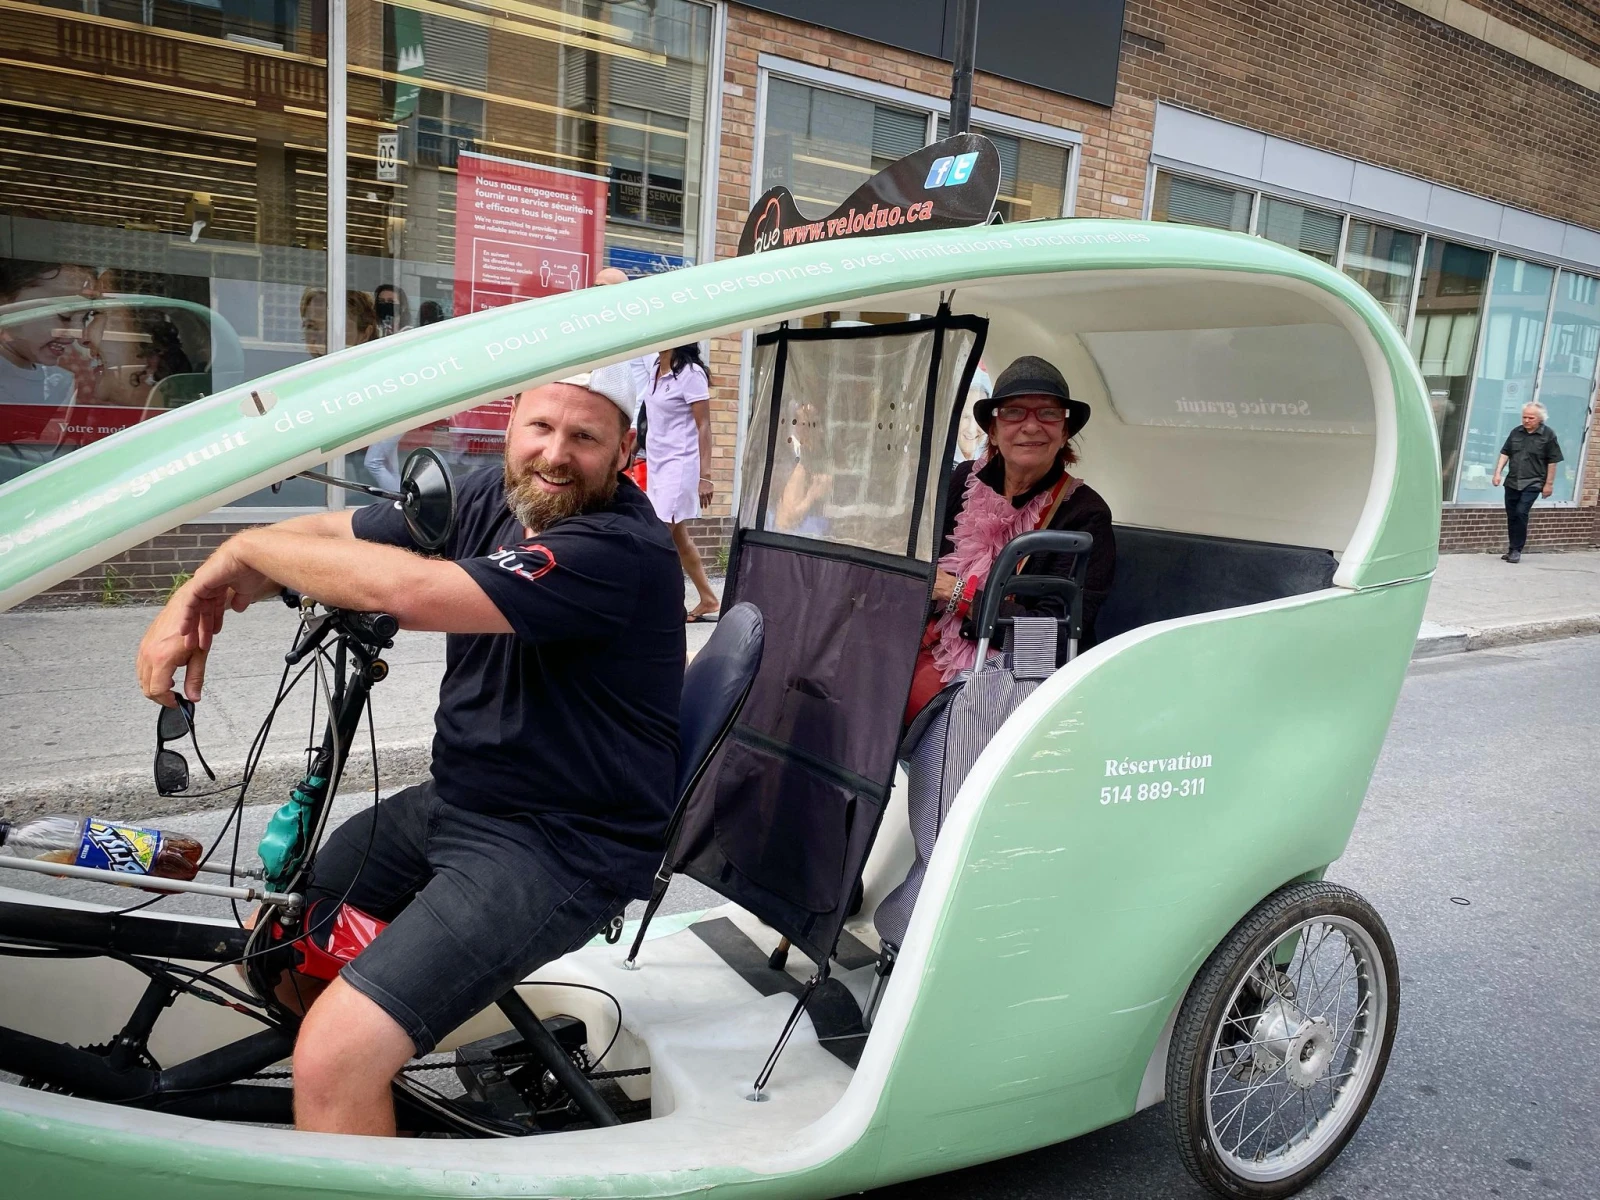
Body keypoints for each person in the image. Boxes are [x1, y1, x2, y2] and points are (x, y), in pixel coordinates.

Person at [133, 363, 684, 1136]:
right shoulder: (496, 496)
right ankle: (369, 1110)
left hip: (564, 844)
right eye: (540, 428)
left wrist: (244, 547)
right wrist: (213, 581)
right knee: (279, 948)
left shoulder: (620, 547)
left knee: (333, 1057)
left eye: (585, 438)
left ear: (626, 447)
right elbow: (340, 535)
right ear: (510, 427)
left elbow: (408, 592)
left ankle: (348, 1078)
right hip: (458, 802)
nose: (556, 454)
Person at [905, 355, 1116, 724]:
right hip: (928, 652)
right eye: (1015, 412)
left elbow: (1052, 640)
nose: (1031, 426)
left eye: (1049, 414)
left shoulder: (1085, 515)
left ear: (1064, 432)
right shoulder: (962, 482)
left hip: (1016, 680)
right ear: (993, 428)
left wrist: (961, 596)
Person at [638, 342, 720, 622]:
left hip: (680, 465)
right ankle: (708, 598)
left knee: (657, 536)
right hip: (657, 465)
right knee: (679, 539)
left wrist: (705, 476)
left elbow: (704, 426)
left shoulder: (691, 373)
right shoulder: (654, 370)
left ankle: (663, 603)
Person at [1492, 401, 1562, 563]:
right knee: (1512, 515)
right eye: (1524, 417)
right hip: (1512, 481)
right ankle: (1511, 549)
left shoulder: (1548, 435)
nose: (1526, 420)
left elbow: (1553, 461)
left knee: (1521, 512)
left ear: (1540, 419)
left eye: (1531, 417)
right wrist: (1497, 473)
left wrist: (1548, 484)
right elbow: (1505, 453)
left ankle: (1517, 549)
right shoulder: (1516, 432)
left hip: (1533, 482)